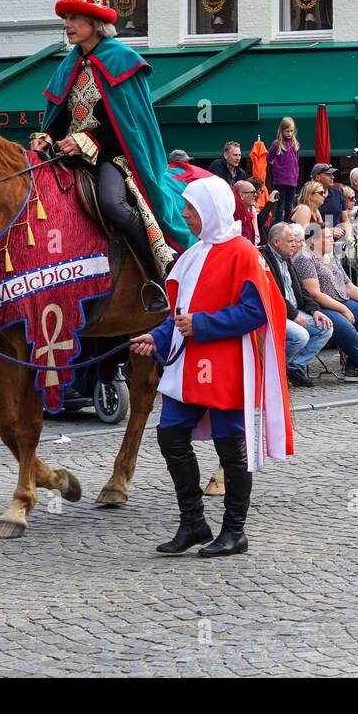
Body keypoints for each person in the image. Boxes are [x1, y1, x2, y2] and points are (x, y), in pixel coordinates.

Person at [130, 176, 292, 558]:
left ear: (211, 210)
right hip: (188, 365)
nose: (184, 214)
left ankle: (235, 531)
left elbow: (256, 312)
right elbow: (180, 313)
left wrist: (203, 324)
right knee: (170, 436)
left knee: (229, 448)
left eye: (191, 209)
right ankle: (193, 522)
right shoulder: (193, 253)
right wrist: (159, 335)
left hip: (226, 363)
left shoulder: (245, 253)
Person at [41, 0, 190, 305]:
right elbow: (60, 116)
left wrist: (86, 141)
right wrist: (45, 138)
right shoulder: (69, 64)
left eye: (75, 18)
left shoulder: (122, 60)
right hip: (69, 154)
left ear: (95, 22)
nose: (67, 24)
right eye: (66, 18)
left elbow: (128, 125)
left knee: (113, 204)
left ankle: (155, 275)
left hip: (113, 155)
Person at [293, 227, 358, 383]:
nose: (332, 239)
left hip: (343, 300)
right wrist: (344, 309)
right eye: (327, 237)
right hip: (323, 305)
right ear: (313, 240)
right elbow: (315, 293)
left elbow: (348, 285)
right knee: (346, 327)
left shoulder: (331, 256)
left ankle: (353, 367)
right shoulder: (304, 258)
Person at [260, 222, 334, 388]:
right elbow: (273, 294)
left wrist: (314, 310)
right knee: (300, 336)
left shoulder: (286, 258)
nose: (295, 245)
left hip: (294, 310)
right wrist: (294, 315)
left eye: (295, 241)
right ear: (275, 242)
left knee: (325, 328)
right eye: (290, 241)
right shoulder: (264, 259)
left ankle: (293, 368)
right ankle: (272, 369)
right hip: (274, 313)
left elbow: (301, 289)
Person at [267, 118, 301, 220]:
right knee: (280, 205)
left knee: (289, 205)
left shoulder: (295, 144)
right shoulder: (277, 144)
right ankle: (279, 224)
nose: (289, 134)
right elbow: (268, 158)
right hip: (280, 179)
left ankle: (287, 223)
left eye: (291, 131)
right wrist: (275, 165)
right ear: (282, 131)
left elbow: (296, 160)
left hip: (292, 179)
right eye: (287, 131)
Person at [311, 163, 350, 240]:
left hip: (338, 244)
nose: (333, 177)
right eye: (328, 174)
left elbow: (346, 220)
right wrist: (328, 231)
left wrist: (349, 235)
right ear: (318, 177)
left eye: (332, 174)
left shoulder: (338, 193)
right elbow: (304, 227)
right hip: (316, 244)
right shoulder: (308, 197)